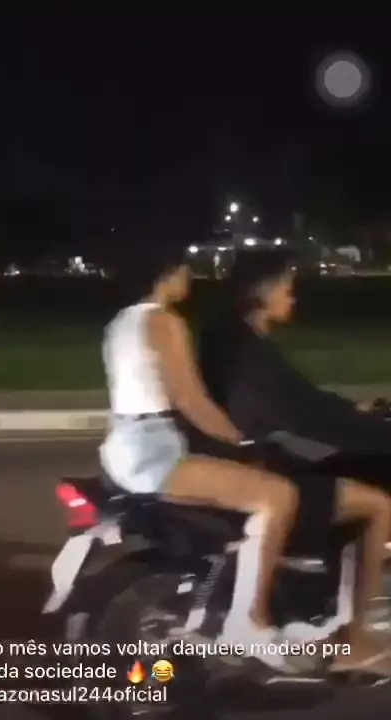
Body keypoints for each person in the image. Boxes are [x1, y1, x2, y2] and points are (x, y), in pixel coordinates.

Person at [100, 241, 390, 675]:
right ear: (168, 271)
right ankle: (258, 623)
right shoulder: (164, 321)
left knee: (287, 486)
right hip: (154, 451)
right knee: (281, 496)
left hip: (126, 444)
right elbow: (191, 401)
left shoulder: (121, 323)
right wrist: (241, 442)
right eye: (184, 267)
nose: (189, 275)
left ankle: (295, 609)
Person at [196, 249, 391, 674]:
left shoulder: (229, 338)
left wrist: (353, 412)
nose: (293, 298)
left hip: (239, 459)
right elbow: (304, 414)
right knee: (377, 505)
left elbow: (303, 402)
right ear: (264, 293)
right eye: (287, 289)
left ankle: (318, 602)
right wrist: (375, 432)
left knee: (341, 471)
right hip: (251, 470)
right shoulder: (249, 353)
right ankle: (353, 641)